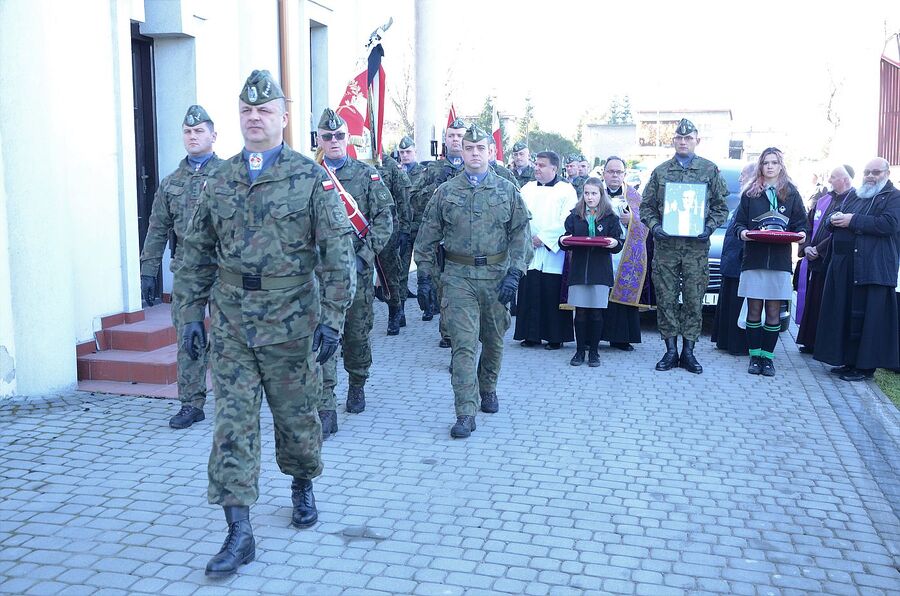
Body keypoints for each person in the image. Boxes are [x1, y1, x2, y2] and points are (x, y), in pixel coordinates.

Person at [174, 70, 356, 577]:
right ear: (239, 117)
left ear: (283, 117)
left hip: (292, 321)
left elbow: (338, 255)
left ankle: (302, 483)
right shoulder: (220, 179)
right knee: (231, 424)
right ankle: (239, 531)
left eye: (265, 111)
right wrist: (190, 315)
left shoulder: (311, 177)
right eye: (247, 111)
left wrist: (333, 321)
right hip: (231, 321)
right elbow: (194, 254)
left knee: (296, 421)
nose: (255, 119)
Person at [414, 124, 530, 438]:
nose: (475, 153)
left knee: (493, 340)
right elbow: (426, 238)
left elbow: (521, 234)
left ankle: (488, 387)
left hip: (496, 277)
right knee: (463, 346)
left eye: (481, 148)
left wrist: (516, 272)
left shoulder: (507, 190)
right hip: (457, 277)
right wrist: (424, 276)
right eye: (469, 148)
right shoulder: (446, 192)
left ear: (490, 152)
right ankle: (465, 411)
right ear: (461, 152)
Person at [139, 105, 222, 430]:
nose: (193, 136)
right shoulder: (171, 183)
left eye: (199, 131)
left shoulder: (230, 175)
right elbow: (158, 228)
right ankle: (191, 403)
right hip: (187, 272)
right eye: (188, 132)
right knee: (188, 337)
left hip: (223, 271)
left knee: (228, 338)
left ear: (213, 136)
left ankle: (233, 401)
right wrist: (148, 270)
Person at [316, 108, 394, 430]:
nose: (334, 141)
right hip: (321, 274)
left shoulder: (366, 175)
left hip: (358, 272)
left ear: (348, 139)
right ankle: (325, 403)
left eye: (339, 136)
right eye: (327, 137)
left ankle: (358, 383)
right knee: (324, 334)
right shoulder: (309, 176)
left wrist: (364, 256)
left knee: (357, 333)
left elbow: (385, 220)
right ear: (319, 139)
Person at [639, 118, 729, 374]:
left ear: (696, 141)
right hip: (666, 247)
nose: (683, 142)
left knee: (693, 299)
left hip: (696, 249)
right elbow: (646, 207)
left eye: (688, 138)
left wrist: (709, 227)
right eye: (679, 138)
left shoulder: (710, 170)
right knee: (666, 299)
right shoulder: (660, 172)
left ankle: (688, 352)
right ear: (673, 140)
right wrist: (655, 227)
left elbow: (722, 207)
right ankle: (670, 351)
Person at [815, 158, 900, 381]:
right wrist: (833, 219)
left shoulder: (894, 197)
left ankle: (864, 367)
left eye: (876, 172)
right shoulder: (855, 195)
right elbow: (829, 223)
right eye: (867, 172)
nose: (870, 176)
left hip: (873, 268)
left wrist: (853, 220)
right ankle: (848, 361)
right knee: (847, 315)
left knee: (867, 320)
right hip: (847, 267)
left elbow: (888, 224)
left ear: (886, 174)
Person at [732, 148, 808, 376]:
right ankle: (754, 356)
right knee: (754, 309)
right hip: (754, 259)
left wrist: (802, 235)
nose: (770, 166)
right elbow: (738, 225)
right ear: (761, 167)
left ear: (781, 166)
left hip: (779, 261)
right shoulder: (750, 194)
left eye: (774, 162)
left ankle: (768, 358)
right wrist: (743, 233)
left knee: (773, 311)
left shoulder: (791, 193)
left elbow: (801, 224)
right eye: (766, 163)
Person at [514, 151, 577, 349]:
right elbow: (519, 214)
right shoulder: (527, 188)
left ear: (554, 168)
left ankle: (555, 337)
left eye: (542, 165)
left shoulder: (566, 190)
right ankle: (530, 335)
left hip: (552, 250)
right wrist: (527, 237)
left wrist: (543, 238)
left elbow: (567, 219)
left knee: (551, 292)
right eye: (536, 164)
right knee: (530, 291)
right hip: (530, 248)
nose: (537, 168)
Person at [410, 118, 468, 337]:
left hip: (464, 241)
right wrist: (435, 187)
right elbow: (413, 199)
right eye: (451, 136)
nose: (455, 140)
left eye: (460, 136)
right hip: (438, 242)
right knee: (443, 289)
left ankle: (464, 332)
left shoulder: (475, 168)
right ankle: (447, 333)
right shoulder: (432, 168)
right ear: (445, 139)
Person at [560, 177, 624, 366]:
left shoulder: (611, 217)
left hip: (600, 272)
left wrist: (614, 244)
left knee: (596, 313)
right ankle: (580, 351)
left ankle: (594, 352)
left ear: (601, 194)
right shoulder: (575, 215)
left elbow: (617, 243)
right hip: (579, 271)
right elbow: (565, 238)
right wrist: (562, 241)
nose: (590, 197)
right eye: (586, 193)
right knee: (580, 313)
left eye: (594, 193)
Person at [795, 165, 854, 353]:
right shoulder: (823, 200)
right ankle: (809, 340)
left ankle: (821, 344)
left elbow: (840, 231)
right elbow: (808, 224)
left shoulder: (853, 201)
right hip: (813, 258)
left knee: (825, 303)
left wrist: (818, 249)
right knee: (812, 302)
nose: (828, 181)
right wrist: (806, 247)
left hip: (832, 260)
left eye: (833, 177)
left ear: (845, 179)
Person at [600, 156, 649, 351]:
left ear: (624, 175)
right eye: (611, 171)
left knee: (622, 295)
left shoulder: (635, 197)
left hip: (625, 253)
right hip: (600, 252)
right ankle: (593, 335)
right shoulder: (595, 192)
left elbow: (646, 223)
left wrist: (633, 220)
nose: (614, 175)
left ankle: (621, 338)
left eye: (618, 172)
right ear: (603, 173)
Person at [711, 162, 755, 355]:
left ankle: (737, 345)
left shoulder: (754, 199)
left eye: (744, 175)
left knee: (739, 304)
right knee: (729, 301)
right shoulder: (743, 198)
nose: (740, 179)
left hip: (741, 260)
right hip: (731, 260)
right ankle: (726, 341)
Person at [375, 153, 412, 334]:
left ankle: (395, 311)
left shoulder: (390, 166)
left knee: (390, 274)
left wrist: (405, 229)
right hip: (358, 229)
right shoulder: (354, 161)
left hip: (387, 227)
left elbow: (403, 199)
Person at [398, 135, 426, 299]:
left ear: (415, 152)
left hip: (420, 226)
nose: (405, 155)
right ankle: (400, 310)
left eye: (408, 151)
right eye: (402, 152)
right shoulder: (396, 172)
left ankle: (429, 305)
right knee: (402, 267)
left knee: (424, 265)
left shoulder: (423, 173)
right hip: (404, 227)